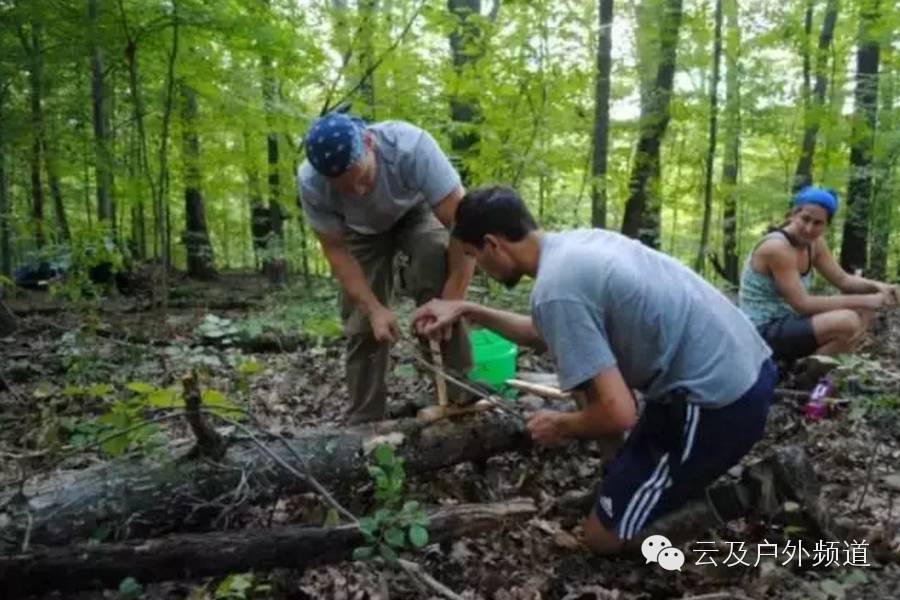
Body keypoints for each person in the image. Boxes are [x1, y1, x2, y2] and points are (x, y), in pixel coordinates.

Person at [412, 185, 777, 554]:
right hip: (745, 365)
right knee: (585, 381)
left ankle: (747, 495)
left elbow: (619, 413)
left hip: (718, 402)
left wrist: (561, 425)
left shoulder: (557, 288)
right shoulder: (575, 247)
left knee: (602, 540)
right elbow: (546, 333)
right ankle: (625, 484)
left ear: (493, 244)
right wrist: (466, 310)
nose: (483, 272)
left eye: (476, 257)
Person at [297, 112, 475, 424]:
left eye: (362, 178)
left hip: (415, 210)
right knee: (362, 319)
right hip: (359, 231)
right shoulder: (311, 182)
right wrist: (374, 308)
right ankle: (365, 418)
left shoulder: (412, 147)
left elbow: (466, 227)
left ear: (369, 143)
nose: (359, 192)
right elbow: (336, 250)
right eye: (345, 189)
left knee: (434, 258)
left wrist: (451, 301)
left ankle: (458, 394)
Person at [739, 186, 898, 363]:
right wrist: (868, 300)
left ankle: (806, 374)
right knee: (847, 321)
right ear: (793, 214)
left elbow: (843, 280)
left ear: (826, 225)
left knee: (859, 313)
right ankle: (799, 374)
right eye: (805, 219)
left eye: (817, 223)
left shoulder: (813, 243)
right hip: (761, 331)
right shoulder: (777, 248)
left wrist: (880, 287)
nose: (808, 228)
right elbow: (803, 304)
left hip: (790, 323)